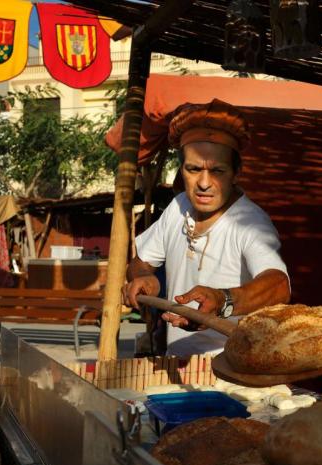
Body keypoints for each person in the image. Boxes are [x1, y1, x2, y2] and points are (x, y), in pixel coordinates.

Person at [123, 99, 290, 357]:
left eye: (217, 171)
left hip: (231, 373)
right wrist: (144, 277)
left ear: (236, 172)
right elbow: (141, 262)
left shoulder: (250, 223)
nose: (203, 183)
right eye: (193, 169)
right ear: (182, 170)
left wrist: (222, 300)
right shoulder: (178, 207)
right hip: (176, 364)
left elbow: (279, 285)